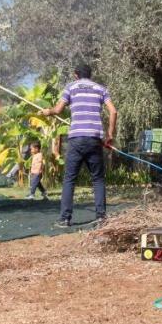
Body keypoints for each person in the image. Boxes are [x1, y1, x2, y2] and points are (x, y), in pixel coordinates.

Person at [40, 64, 117, 228]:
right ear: (90, 75)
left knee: (69, 179)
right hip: (94, 138)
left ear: (76, 75)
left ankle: (65, 219)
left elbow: (59, 109)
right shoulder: (100, 89)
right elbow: (113, 111)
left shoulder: (70, 88)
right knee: (97, 179)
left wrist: (48, 112)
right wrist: (110, 135)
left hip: (76, 138)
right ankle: (101, 218)